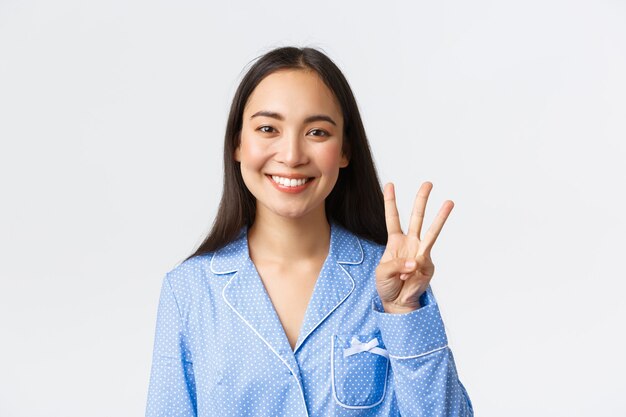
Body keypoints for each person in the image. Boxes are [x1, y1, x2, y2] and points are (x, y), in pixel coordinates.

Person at [146, 46, 473, 417]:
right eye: (268, 128)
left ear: (345, 149)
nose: (292, 154)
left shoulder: (392, 281)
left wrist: (403, 312)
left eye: (317, 132)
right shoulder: (189, 290)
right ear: (238, 143)